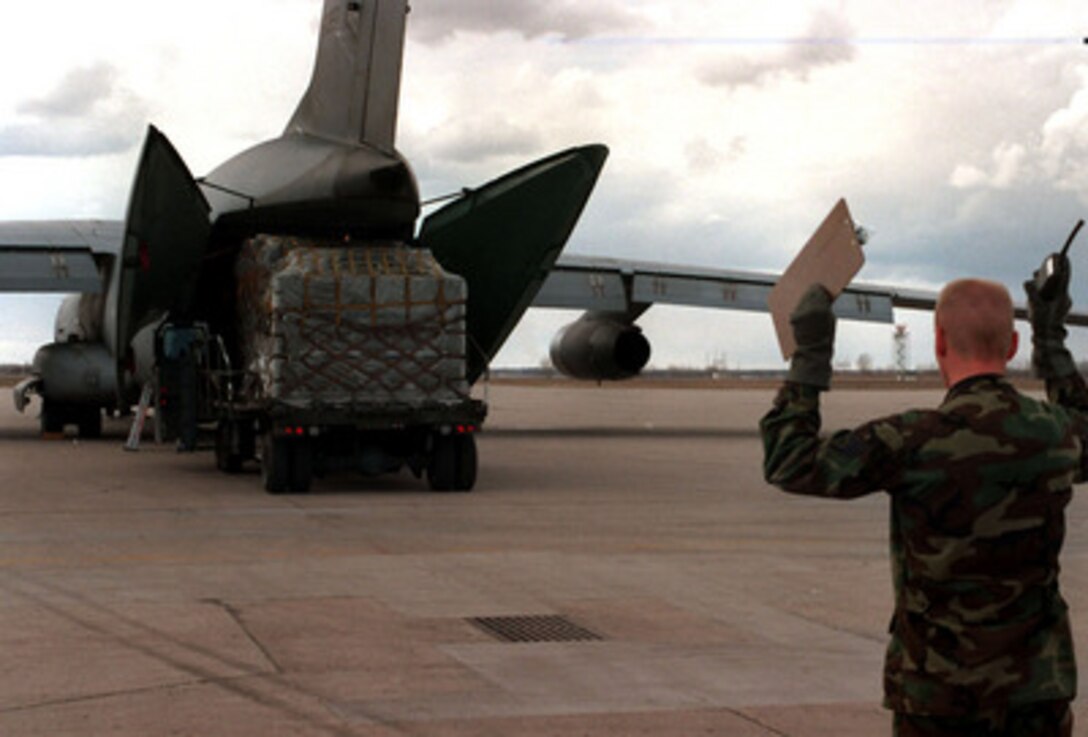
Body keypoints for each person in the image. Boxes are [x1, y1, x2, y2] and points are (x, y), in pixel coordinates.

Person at [760, 271, 1087, 736]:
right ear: (1013, 345)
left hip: (938, 696)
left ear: (938, 343)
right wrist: (1051, 337)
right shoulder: (1055, 434)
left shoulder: (910, 440)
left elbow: (789, 461)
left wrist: (809, 358)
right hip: (1035, 692)